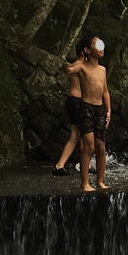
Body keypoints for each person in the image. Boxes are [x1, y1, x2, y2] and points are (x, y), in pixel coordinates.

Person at [66, 34, 111, 193]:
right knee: (88, 146)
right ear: (87, 49)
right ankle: (85, 183)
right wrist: (80, 57)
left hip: (100, 109)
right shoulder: (82, 67)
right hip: (85, 108)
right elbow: (68, 69)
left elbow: (105, 91)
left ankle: (100, 181)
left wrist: (109, 110)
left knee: (101, 148)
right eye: (96, 45)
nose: (101, 48)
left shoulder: (102, 70)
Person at [52, 40, 85, 176]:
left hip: (71, 101)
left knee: (76, 135)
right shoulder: (80, 65)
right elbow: (69, 69)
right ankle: (84, 165)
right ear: (84, 51)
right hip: (78, 102)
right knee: (84, 135)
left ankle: (60, 165)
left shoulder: (77, 64)